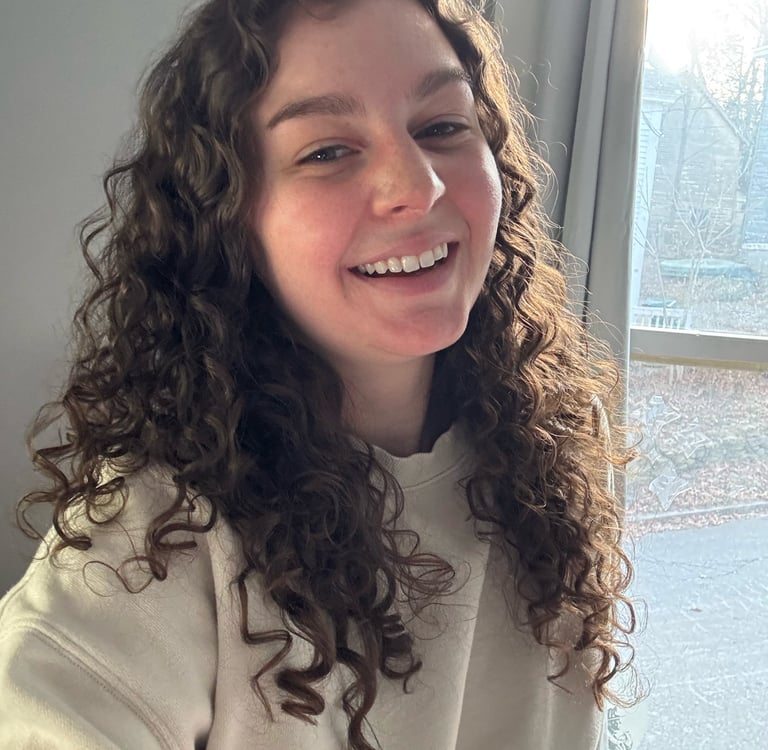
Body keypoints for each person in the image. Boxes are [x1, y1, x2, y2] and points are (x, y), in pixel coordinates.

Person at [0, 0, 637, 748]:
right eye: (327, 151)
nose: (420, 187)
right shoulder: (154, 533)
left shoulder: (558, 436)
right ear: (228, 218)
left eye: (441, 127)